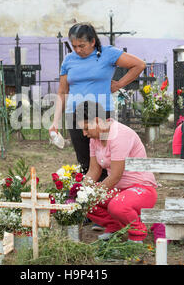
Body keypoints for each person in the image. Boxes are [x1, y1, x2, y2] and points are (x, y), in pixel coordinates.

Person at [49, 22, 146, 231]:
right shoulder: (69, 60)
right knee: (86, 162)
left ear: (93, 41)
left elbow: (139, 65)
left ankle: (110, 208)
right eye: (74, 46)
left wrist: (119, 84)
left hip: (101, 114)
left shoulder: (108, 54)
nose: (78, 50)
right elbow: (62, 92)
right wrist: (55, 122)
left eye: (82, 45)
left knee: (107, 163)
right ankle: (92, 210)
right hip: (75, 115)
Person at [76, 100, 158, 243]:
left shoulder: (119, 135)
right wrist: (80, 191)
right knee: (84, 201)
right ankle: (114, 228)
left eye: (86, 128)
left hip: (142, 190)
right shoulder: (95, 139)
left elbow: (115, 176)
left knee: (117, 206)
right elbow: (94, 170)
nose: (84, 133)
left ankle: (137, 234)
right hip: (119, 191)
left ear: (96, 121)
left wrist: (92, 193)